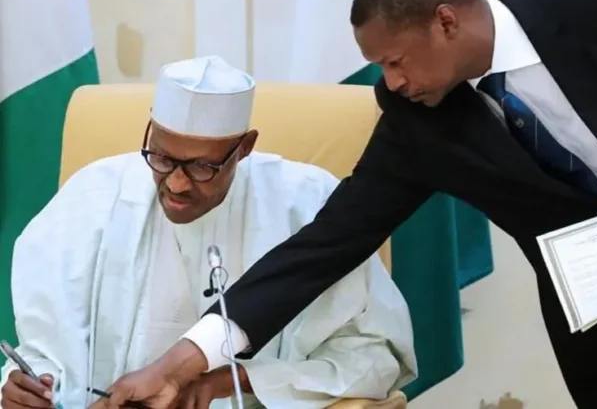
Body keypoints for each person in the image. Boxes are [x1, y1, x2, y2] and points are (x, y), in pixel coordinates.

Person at [95, 0, 597, 409]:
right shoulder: (418, 118)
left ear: (445, 22)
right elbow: (328, 243)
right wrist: (184, 360)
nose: (389, 83)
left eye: (394, 61)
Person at [0, 55, 417, 409]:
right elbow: (46, 350)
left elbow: (374, 355)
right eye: (162, 158)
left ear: (245, 147)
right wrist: (24, 389)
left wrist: (230, 381)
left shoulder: (305, 203)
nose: (177, 184)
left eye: (201, 167)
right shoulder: (94, 195)